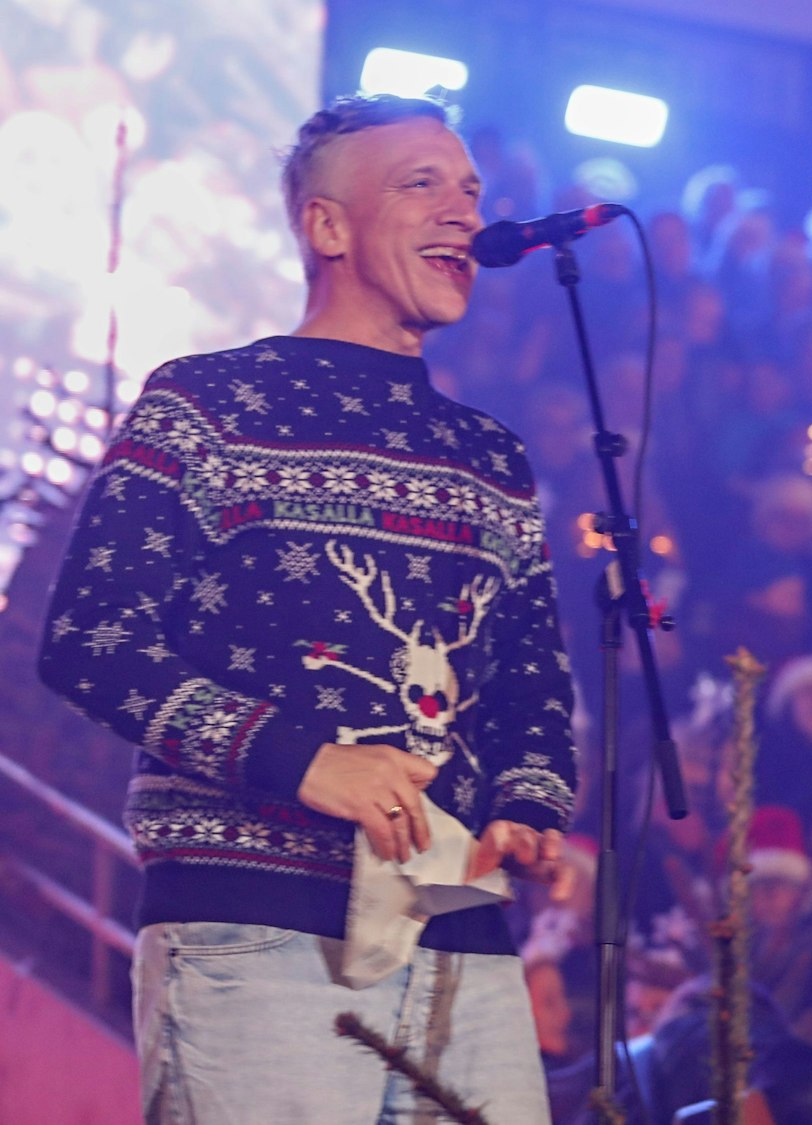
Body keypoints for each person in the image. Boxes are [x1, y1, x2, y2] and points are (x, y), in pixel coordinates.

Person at [37, 93, 577, 1122]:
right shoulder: (203, 405)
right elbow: (89, 640)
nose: (463, 212)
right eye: (421, 184)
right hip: (255, 928)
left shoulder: (489, 455)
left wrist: (528, 801)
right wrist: (305, 761)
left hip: (460, 930)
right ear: (327, 226)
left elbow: (532, 675)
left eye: (470, 191)